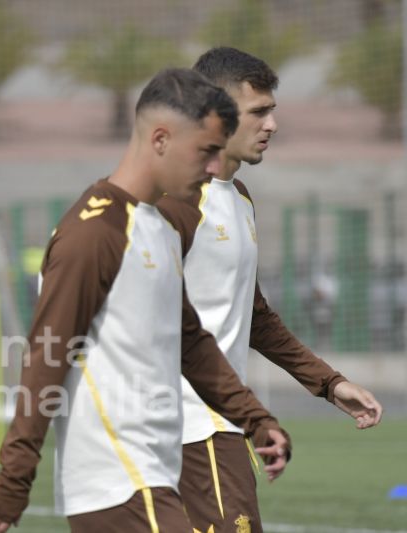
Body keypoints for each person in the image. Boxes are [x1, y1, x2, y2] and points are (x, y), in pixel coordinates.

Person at [0, 68, 290, 533]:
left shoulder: (158, 226)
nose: (212, 168)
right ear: (160, 139)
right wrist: (15, 475)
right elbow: (48, 353)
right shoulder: (94, 231)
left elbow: (192, 344)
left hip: (153, 477)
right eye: (205, 151)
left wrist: (255, 420)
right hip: (116, 480)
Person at [156, 47, 383, 533]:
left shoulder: (238, 199)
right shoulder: (171, 202)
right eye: (258, 111)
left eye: (272, 110)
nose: (272, 124)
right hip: (187, 427)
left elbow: (254, 317)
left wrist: (329, 383)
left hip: (220, 424)